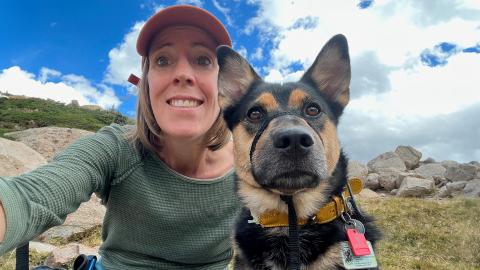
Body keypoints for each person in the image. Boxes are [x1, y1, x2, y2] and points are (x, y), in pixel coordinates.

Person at [0, 5, 240, 269]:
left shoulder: (252, 165)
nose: (183, 74)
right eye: (162, 60)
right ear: (147, 83)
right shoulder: (116, 147)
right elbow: (30, 195)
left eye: (203, 60)